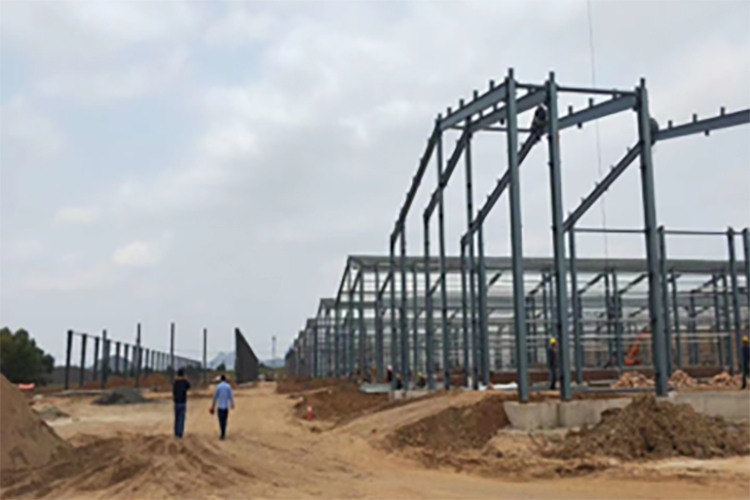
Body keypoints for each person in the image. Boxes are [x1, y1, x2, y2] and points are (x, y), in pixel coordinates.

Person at [211, 374, 235, 440]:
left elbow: (215, 397)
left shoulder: (218, 387)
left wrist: (213, 405)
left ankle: (222, 433)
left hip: (220, 406)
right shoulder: (228, 386)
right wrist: (232, 404)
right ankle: (224, 432)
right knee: (225, 420)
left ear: (221, 379)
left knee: (221, 420)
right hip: (226, 406)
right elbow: (230, 396)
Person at [172, 368, 191, 438]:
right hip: (183, 401)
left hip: (176, 402)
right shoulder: (184, 382)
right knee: (181, 418)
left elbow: (174, 391)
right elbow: (189, 386)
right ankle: (180, 433)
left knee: (176, 418)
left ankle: (176, 432)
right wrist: (185, 379)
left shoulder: (175, 382)